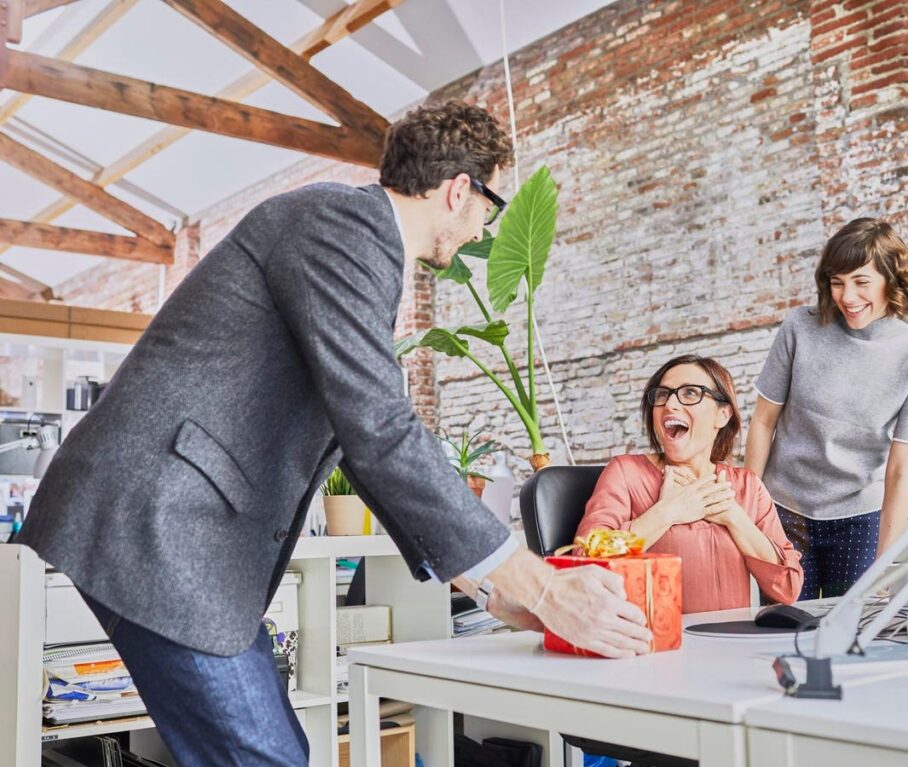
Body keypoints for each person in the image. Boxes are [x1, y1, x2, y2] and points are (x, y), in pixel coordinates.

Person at [17, 101, 651, 767]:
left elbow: (360, 434)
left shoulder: (352, 241)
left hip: (174, 531)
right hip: (157, 522)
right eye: (488, 209)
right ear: (459, 190)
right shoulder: (344, 226)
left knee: (271, 751)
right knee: (266, 757)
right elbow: (379, 426)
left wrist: (490, 589)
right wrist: (541, 585)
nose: (481, 231)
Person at [744, 218, 908, 600]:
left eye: (861, 282)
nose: (847, 296)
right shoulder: (801, 327)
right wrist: (750, 508)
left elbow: (901, 467)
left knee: (855, 625)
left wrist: (885, 563)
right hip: (784, 510)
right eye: (837, 282)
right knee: (786, 623)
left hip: (858, 518)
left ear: (890, 279)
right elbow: (763, 421)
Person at [575, 354, 803, 612]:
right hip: (654, 637)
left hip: (731, 636)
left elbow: (788, 588)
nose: (670, 404)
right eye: (662, 394)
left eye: (690, 393)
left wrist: (734, 518)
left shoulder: (748, 487)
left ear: (722, 415)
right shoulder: (626, 473)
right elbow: (586, 566)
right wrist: (668, 512)